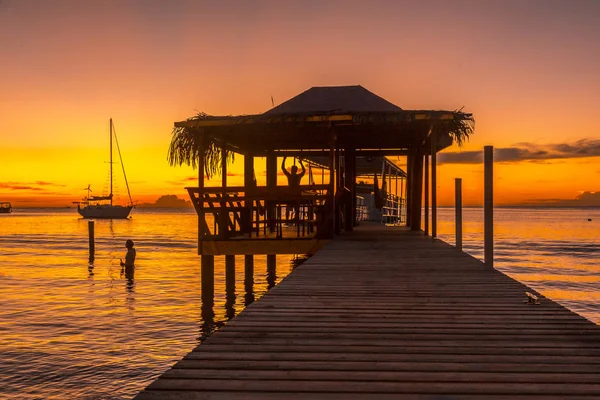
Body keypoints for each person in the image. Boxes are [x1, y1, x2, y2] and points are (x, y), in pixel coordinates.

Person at [281, 157, 306, 222]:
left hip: (290, 195)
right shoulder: (298, 176)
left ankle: (287, 221)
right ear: (296, 170)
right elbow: (304, 171)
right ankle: (295, 220)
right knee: (296, 209)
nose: (292, 170)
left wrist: (284, 159)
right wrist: (301, 163)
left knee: (288, 209)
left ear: (292, 170)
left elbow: (283, 168)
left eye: (292, 169)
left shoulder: (290, 176)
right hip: (296, 195)